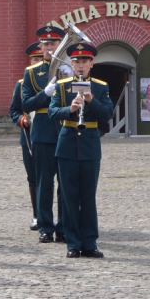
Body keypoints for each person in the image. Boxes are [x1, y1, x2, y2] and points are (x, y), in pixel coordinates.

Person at [49, 43, 113, 258]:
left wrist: (90, 100)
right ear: (72, 64)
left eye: (84, 61)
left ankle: (89, 243)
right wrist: (71, 109)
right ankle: (73, 243)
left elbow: (107, 113)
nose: (80, 65)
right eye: (76, 61)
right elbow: (52, 112)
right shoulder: (62, 86)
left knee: (88, 197)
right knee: (69, 196)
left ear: (92, 63)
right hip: (67, 146)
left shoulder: (100, 87)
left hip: (90, 147)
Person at [22, 26, 72, 244]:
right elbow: (26, 103)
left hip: (66, 129)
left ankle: (64, 226)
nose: (50, 48)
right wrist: (46, 93)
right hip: (42, 131)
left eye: (54, 44)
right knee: (44, 182)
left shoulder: (70, 70)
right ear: (41, 47)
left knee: (66, 182)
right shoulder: (32, 73)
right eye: (47, 44)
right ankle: (45, 226)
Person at [9, 42, 44, 231]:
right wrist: (22, 119)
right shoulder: (22, 83)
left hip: (51, 134)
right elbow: (14, 110)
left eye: (41, 58)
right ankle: (37, 215)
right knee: (33, 177)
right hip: (29, 135)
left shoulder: (53, 81)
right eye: (35, 59)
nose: (38, 62)